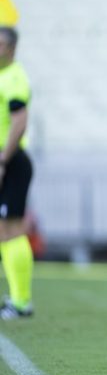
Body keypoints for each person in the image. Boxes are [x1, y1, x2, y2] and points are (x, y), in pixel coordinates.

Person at [0, 26, 35, 320]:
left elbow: (19, 121)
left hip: (11, 162)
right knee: (4, 231)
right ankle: (16, 297)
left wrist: (3, 160)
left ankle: (21, 301)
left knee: (11, 229)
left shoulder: (14, 77)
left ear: (11, 48)